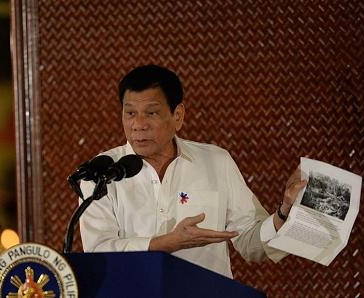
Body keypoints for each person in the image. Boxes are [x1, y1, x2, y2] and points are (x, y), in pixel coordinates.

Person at [79, 64, 307, 278]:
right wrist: (162, 244)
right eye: (130, 113)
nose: (138, 124)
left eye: (151, 113)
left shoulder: (217, 162)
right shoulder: (100, 171)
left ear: (177, 116)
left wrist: (285, 210)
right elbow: (98, 252)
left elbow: (250, 244)